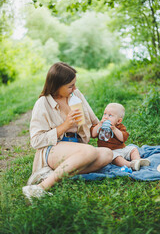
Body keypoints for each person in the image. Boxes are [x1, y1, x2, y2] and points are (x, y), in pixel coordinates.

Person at [22, 62, 113, 201]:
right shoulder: (43, 103)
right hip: (54, 148)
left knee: (107, 154)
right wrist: (65, 126)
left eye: (74, 84)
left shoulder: (75, 95)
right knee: (90, 151)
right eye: (70, 86)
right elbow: (35, 141)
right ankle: (39, 188)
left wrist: (106, 125)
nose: (75, 88)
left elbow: (94, 122)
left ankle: (56, 174)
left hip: (76, 147)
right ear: (57, 85)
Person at [91, 103, 150, 171]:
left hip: (122, 149)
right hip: (109, 152)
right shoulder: (100, 126)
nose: (106, 117)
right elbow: (93, 134)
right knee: (116, 157)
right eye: (105, 114)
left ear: (119, 121)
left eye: (110, 115)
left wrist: (114, 130)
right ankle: (130, 165)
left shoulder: (120, 127)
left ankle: (137, 160)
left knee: (133, 149)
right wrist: (99, 125)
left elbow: (123, 138)